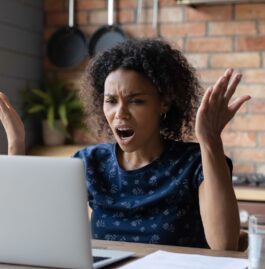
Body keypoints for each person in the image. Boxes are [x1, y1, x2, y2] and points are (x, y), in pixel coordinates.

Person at [0, 38, 251, 250]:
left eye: (136, 101)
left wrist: (209, 140)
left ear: (163, 103)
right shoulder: (89, 163)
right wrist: (16, 144)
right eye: (111, 101)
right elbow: (29, 226)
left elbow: (224, 245)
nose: (120, 113)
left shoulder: (196, 162)